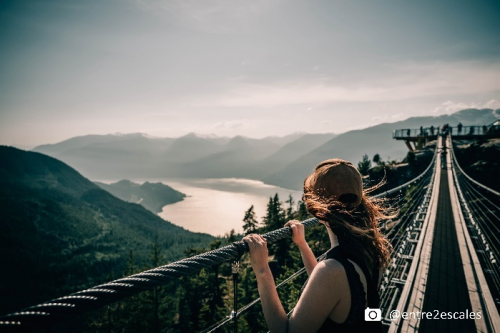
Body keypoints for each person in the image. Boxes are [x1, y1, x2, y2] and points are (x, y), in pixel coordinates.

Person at [243, 159, 392, 333]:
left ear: (319, 211)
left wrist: (262, 270)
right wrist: (302, 245)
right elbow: (330, 290)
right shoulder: (370, 250)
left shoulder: (332, 271)